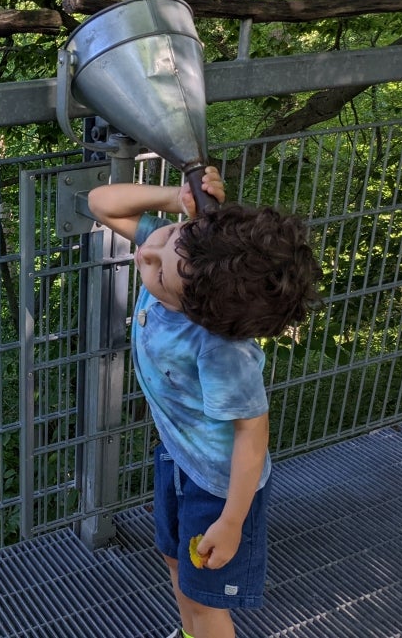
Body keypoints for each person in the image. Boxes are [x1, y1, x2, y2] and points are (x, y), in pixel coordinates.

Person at [88, 168, 322, 638]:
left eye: (157, 273)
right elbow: (102, 201)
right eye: (167, 238)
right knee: (175, 559)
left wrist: (232, 521)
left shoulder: (218, 348)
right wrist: (177, 203)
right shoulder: (190, 253)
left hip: (219, 488)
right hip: (179, 458)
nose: (147, 253)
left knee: (207, 598)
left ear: (196, 312)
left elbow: (251, 434)